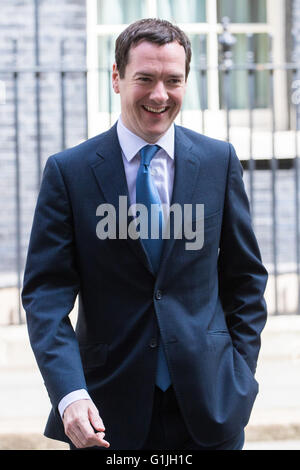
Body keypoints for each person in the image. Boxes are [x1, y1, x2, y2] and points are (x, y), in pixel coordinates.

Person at [22, 18, 268, 451]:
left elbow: (246, 281)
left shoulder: (218, 161)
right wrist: (70, 395)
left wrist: (239, 378)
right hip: (105, 415)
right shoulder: (69, 173)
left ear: (187, 81)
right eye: (145, 79)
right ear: (116, 79)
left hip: (211, 409)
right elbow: (45, 297)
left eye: (173, 80)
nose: (160, 95)